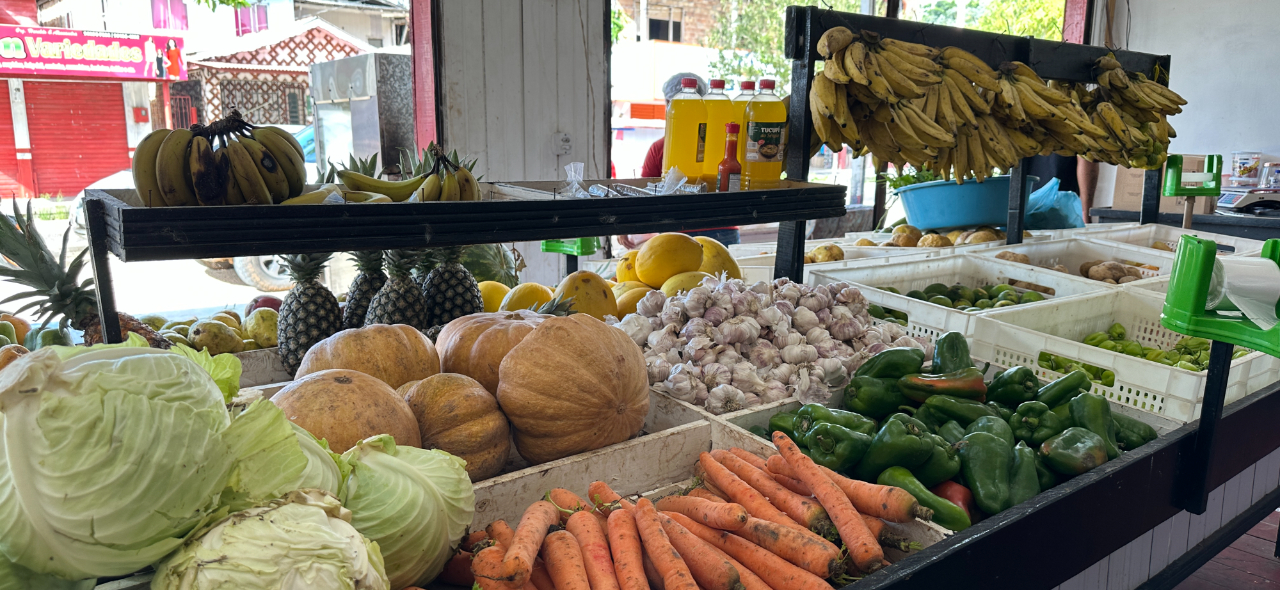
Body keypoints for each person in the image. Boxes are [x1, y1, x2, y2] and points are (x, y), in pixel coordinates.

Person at [626, 73, 740, 248]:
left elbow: (645, 194)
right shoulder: (725, 144)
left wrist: (629, 222)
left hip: (679, 231)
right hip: (721, 227)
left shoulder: (660, 148)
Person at [1027, 154, 1099, 223]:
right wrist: (1085, 213)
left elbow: (1087, 159)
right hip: (1060, 206)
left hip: (1023, 203)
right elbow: (1087, 159)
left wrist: (1085, 212)